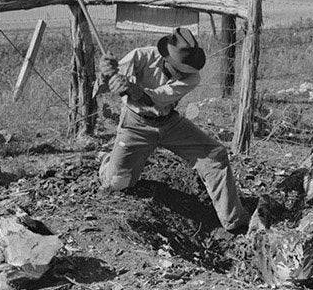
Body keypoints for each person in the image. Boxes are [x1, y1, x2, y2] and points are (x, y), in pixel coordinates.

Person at [98, 27, 248, 234]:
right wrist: (106, 74)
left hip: (170, 123)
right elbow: (104, 87)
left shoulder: (192, 77)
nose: (183, 72)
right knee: (117, 183)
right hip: (136, 125)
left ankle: (235, 222)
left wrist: (131, 88)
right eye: (180, 67)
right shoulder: (141, 56)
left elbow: (155, 99)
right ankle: (108, 161)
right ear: (165, 57)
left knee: (215, 155)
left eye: (187, 68)